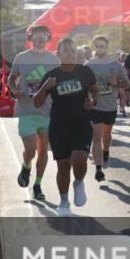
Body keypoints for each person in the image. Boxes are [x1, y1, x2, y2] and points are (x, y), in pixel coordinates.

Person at [33, 36, 99, 217]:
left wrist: (92, 101)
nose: (69, 54)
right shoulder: (51, 75)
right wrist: (45, 87)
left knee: (79, 159)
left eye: (72, 50)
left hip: (82, 122)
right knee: (63, 166)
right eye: (66, 51)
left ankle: (78, 183)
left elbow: (95, 90)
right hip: (59, 125)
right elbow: (37, 102)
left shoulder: (85, 72)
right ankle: (63, 201)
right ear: (58, 54)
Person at [10, 25, 60, 199]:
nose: (40, 39)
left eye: (43, 36)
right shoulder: (21, 58)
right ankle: (26, 166)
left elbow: (59, 83)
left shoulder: (54, 59)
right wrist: (15, 90)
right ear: (31, 39)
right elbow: (11, 79)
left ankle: (37, 185)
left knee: (43, 152)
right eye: (36, 36)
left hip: (46, 111)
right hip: (26, 110)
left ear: (47, 38)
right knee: (30, 150)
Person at [85, 36, 129, 180]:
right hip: (95, 106)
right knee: (96, 136)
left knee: (106, 135)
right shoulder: (89, 65)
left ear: (107, 47)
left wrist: (117, 83)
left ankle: (106, 151)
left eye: (102, 46)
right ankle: (98, 169)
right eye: (97, 46)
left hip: (110, 106)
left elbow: (127, 84)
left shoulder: (116, 65)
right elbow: (83, 85)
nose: (99, 48)